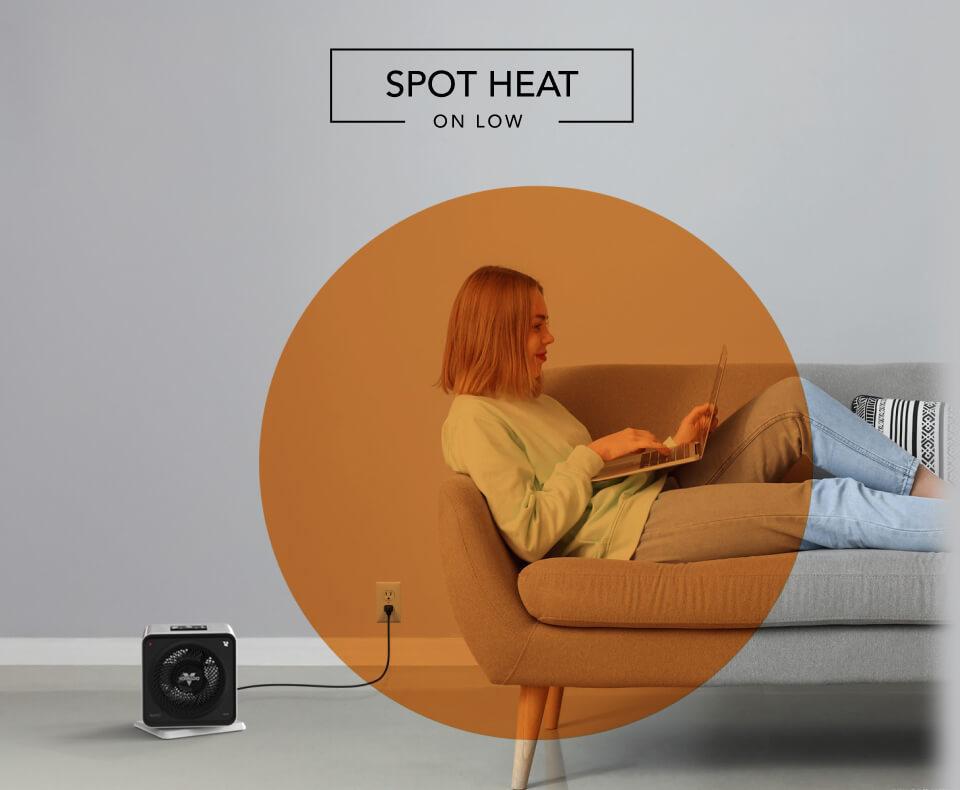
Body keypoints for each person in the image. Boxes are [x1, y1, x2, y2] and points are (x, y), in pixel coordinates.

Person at [437, 265, 949, 564]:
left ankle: (938, 493)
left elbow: (597, 481)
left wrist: (673, 448)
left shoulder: (533, 401)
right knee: (828, 500)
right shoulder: (474, 421)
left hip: (652, 499)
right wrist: (593, 453)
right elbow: (529, 534)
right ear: (498, 332)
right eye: (536, 326)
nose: (549, 338)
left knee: (795, 401)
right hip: (628, 537)